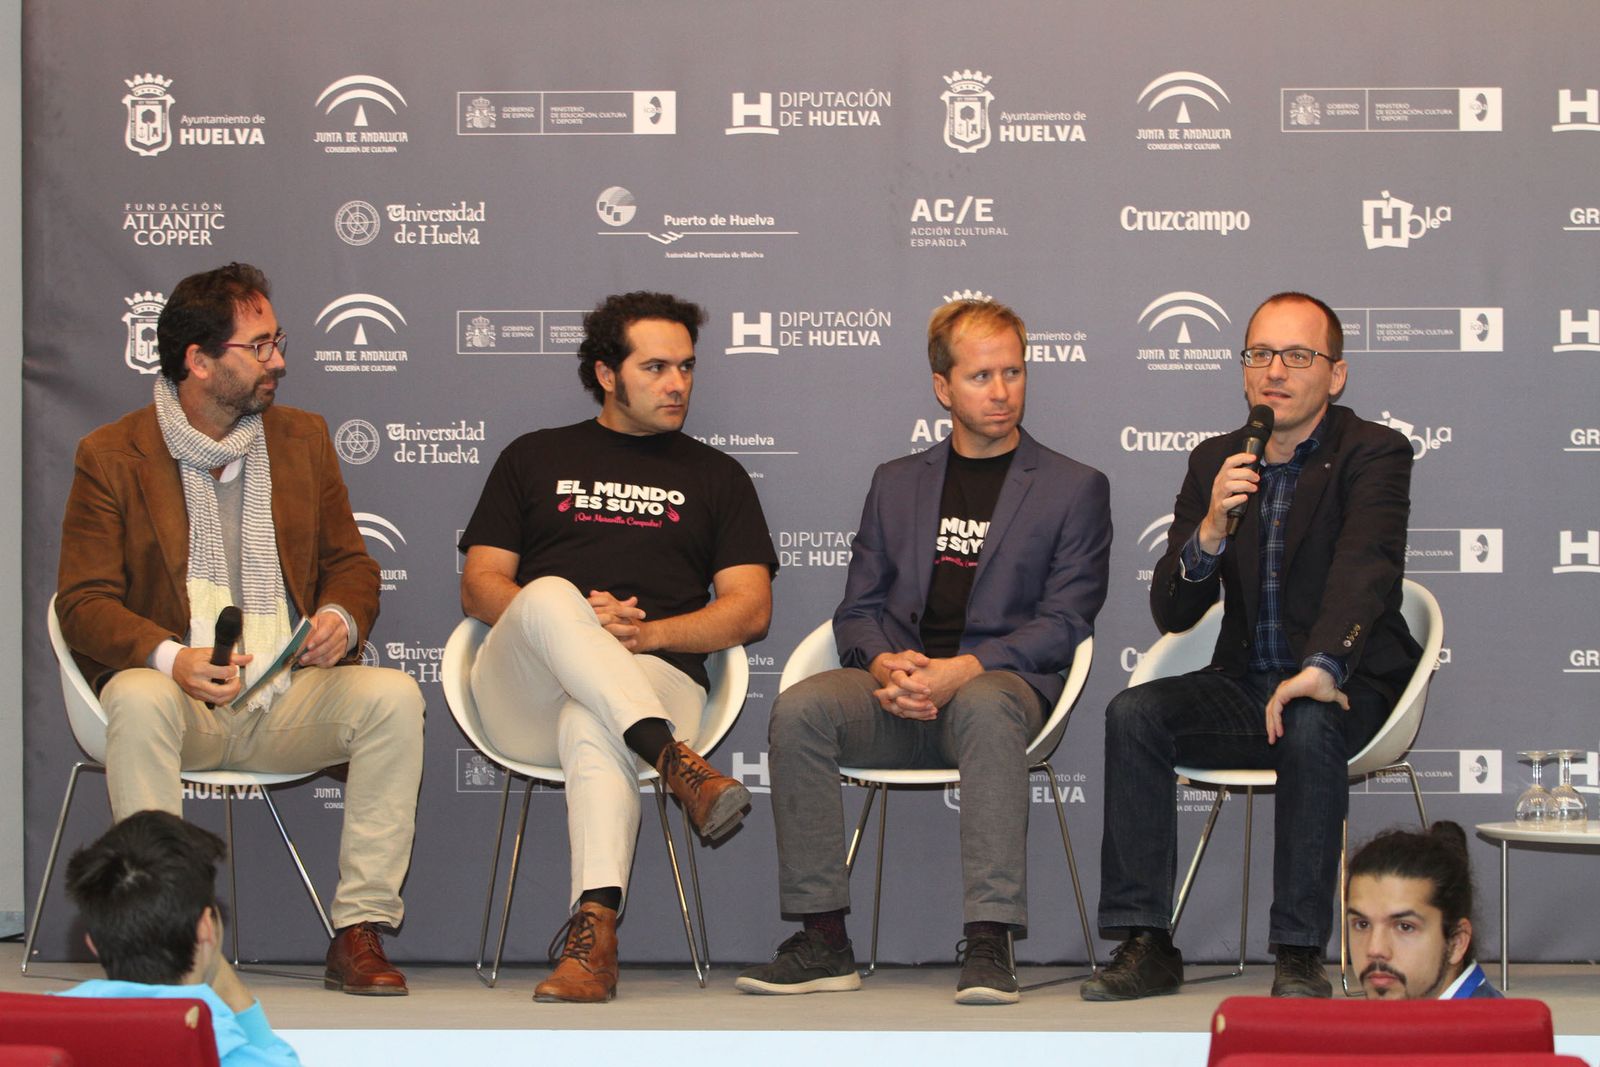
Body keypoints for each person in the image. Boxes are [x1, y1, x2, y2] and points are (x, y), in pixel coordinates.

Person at [56, 263, 424, 996]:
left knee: (393, 698)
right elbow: (84, 603)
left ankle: (359, 928)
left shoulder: (302, 439)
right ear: (198, 360)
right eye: (259, 347)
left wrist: (339, 617)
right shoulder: (112, 454)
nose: (277, 360)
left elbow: (351, 564)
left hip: (283, 694)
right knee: (135, 694)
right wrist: (172, 659)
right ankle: (162, 938)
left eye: (277, 341)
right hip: (178, 701)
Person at [736, 297, 1112, 1005]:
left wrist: (962, 670)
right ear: (943, 387)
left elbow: (1067, 620)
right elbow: (858, 610)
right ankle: (824, 940)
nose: (1001, 392)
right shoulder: (896, 482)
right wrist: (887, 665)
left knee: (987, 704)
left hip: (998, 687)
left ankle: (990, 937)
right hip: (896, 689)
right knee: (802, 709)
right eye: (980, 376)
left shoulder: (1073, 487)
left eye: (1013, 372)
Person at [1085, 291, 1421, 1001]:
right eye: (1260, 354)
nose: (1275, 371)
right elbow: (1173, 610)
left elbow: (1365, 568)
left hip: (1346, 682)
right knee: (1133, 714)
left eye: (1297, 355)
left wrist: (1322, 667)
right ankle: (1146, 942)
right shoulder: (1218, 459)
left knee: (1308, 716)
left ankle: (1299, 952)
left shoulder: (1374, 452)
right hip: (1245, 683)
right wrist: (1210, 528)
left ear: (1335, 374)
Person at [459, 290, 777, 1003]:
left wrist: (647, 633)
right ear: (607, 373)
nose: (677, 383)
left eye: (686, 366)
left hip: (656, 677)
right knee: (550, 593)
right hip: (526, 693)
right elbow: (480, 587)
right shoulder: (533, 456)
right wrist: (577, 616)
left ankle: (593, 938)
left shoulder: (717, 476)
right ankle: (675, 763)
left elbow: (751, 609)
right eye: (655, 367)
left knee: (592, 717)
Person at [58, 810, 302, 1065]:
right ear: (206, 927)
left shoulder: (45, 1025)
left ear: (93, 944)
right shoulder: (231, 1050)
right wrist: (238, 1000)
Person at [1347, 821, 1502, 999]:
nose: (1375, 949)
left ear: (1457, 942)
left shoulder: (1487, 1017)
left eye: (1405, 927)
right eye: (1362, 924)